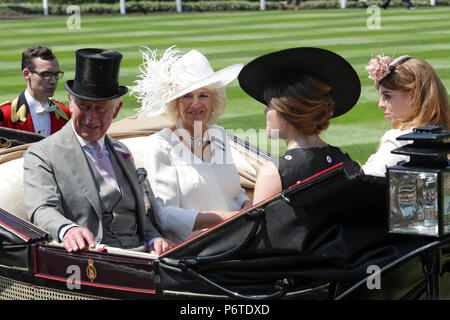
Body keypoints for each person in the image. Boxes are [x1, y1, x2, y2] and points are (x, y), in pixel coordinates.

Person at [23, 48, 174, 254]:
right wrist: (68, 229)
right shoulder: (42, 154)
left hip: (142, 258)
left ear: (116, 111)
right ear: (70, 101)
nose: (90, 117)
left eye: (100, 108)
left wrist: (154, 238)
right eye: (83, 106)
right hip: (92, 261)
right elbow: (41, 208)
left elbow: (137, 215)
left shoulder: (122, 152)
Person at [130, 47, 251, 243]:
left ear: (214, 101)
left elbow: (233, 192)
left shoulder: (218, 135)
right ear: (176, 103)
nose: (195, 103)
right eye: (187, 96)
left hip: (236, 238)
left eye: (203, 95)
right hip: (194, 250)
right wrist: (221, 218)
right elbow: (165, 215)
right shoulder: (160, 144)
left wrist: (246, 204)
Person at [238, 47, 361, 204]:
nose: (265, 111)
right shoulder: (346, 161)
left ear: (286, 114)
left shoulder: (274, 173)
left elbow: (259, 226)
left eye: (269, 105)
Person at [362, 54, 450, 177]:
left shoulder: (398, 140)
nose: (380, 104)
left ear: (413, 95)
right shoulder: (443, 136)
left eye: (387, 96)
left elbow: (367, 185)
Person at [0, 46, 70, 135]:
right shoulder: (4, 116)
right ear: (26, 74)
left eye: (56, 74)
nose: (53, 81)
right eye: (46, 74)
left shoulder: (66, 115)